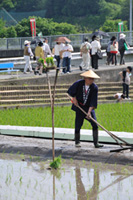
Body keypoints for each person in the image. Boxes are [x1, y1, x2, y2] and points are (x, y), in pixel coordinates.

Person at [67, 70, 103, 148]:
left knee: (95, 124)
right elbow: (71, 91)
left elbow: (93, 101)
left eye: (92, 79)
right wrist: (74, 98)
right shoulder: (79, 83)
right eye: (90, 78)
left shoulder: (94, 87)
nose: (91, 80)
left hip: (88, 107)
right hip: (79, 107)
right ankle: (77, 142)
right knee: (78, 125)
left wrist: (89, 112)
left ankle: (96, 143)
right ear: (85, 78)